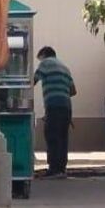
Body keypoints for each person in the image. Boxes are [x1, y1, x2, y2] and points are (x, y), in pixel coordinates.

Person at [34, 46, 76, 177]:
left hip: (53, 105)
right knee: (63, 138)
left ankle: (54, 169)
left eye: (40, 58)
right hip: (66, 107)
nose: (40, 61)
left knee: (52, 136)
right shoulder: (65, 68)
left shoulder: (45, 63)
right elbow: (73, 91)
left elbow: (32, 81)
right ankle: (61, 169)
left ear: (44, 55)